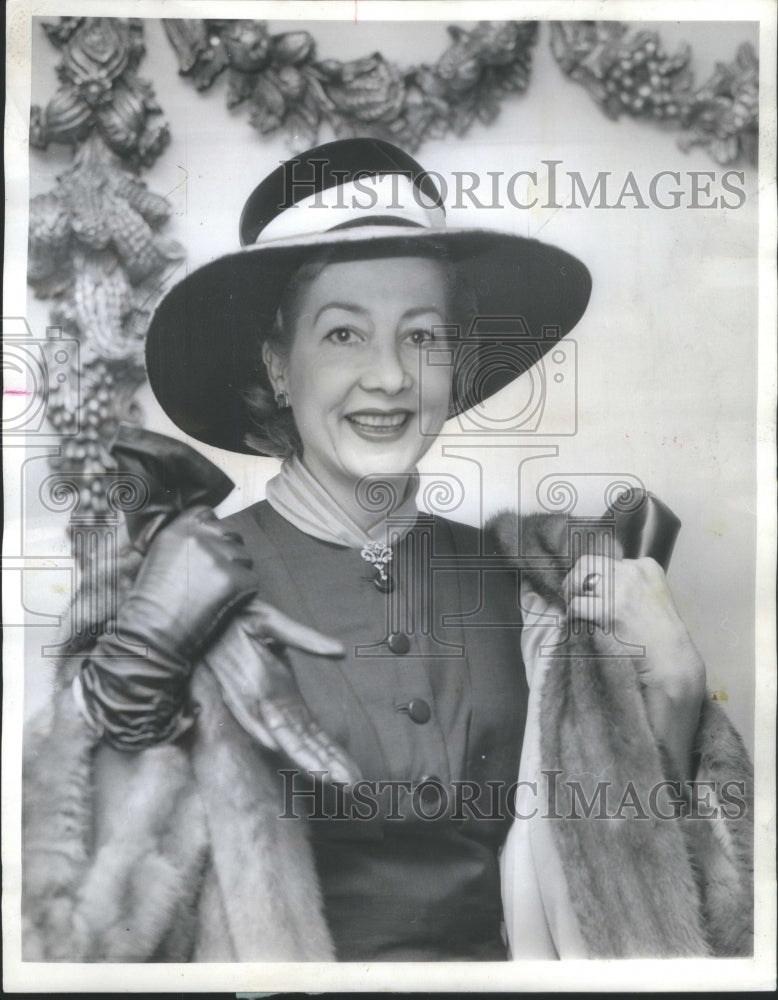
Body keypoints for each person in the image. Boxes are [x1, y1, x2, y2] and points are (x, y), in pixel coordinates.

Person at [22, 139, 752, 963]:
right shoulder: (178, 582)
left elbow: (689, 928)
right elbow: (64, 938)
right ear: (278, 367)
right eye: (342, 334)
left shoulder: (538, 595)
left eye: (422, 337)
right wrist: (142, 658)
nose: (390, 377)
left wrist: (679, 695)